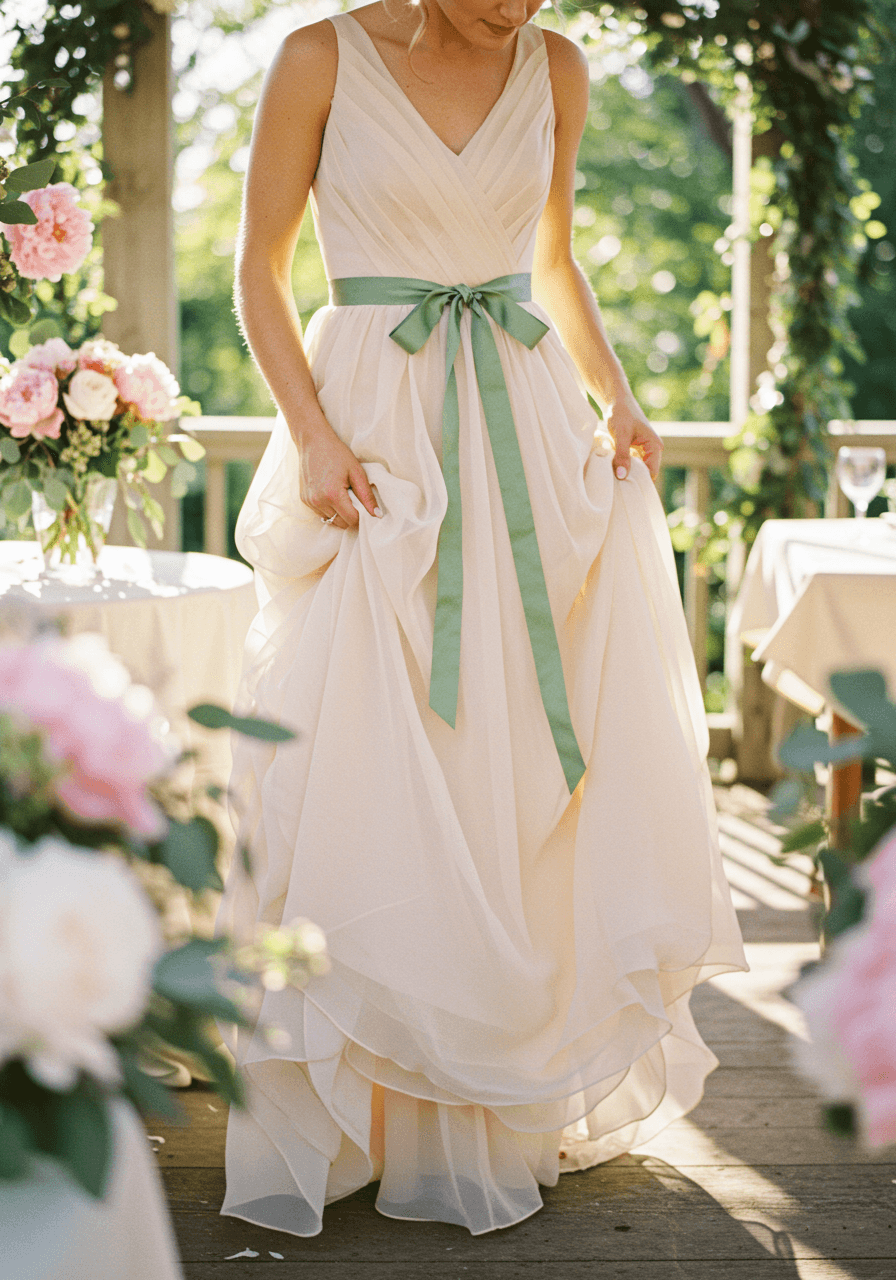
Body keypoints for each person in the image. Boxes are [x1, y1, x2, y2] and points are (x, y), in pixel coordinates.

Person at [217, 0, 746, 1238]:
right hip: (376, 437)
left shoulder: (555, 66)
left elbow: (551, 260)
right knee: (363, 744)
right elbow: (257, 273)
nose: (521, 6)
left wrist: (616, 394)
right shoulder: (317, 57)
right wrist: (312, 434)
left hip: (522, 425)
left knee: (505, 767)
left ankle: (494, 1094)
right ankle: (367, 1101)